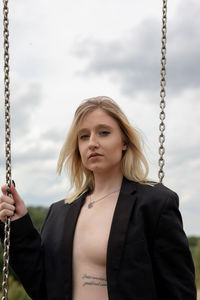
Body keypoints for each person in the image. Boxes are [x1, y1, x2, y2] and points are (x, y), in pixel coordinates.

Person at [0, 96, 197, 300]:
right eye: (84, 136)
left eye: (104, 133)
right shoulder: (59, 212)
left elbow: (179, 291)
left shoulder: (154, 204)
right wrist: (18, 223)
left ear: (124, 142)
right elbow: (42, 287)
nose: (92, 143)